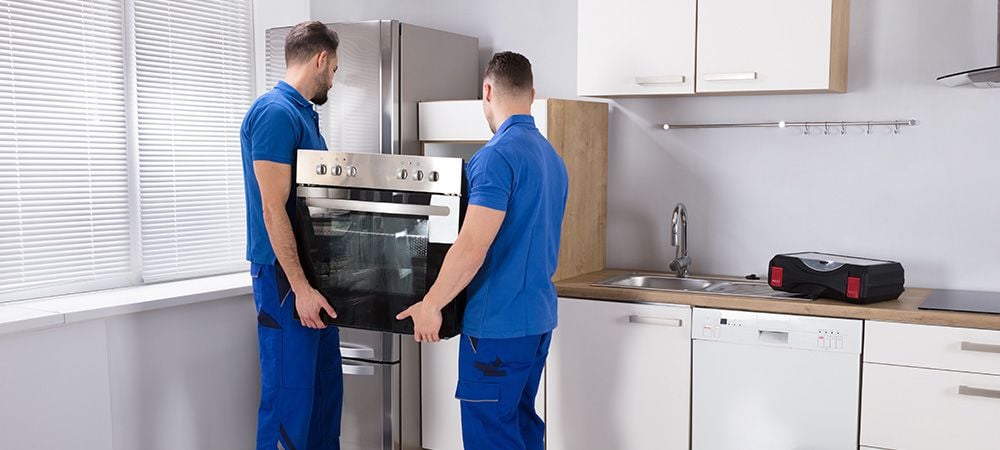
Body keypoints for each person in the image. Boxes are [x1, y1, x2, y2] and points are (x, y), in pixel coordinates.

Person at [396, 51, 568, 450]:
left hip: (497, 329)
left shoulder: (495, 157)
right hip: (536, 323)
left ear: (486, 90)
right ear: (531, 94)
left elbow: (472, 245)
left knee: (492, 436)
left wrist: (431, 304)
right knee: (520, 427)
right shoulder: (552, 159)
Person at [240, 21, 343, 450]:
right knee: (290, 404)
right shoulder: (274, 114)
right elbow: (271, 207)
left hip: (313, 279)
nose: (333, 80)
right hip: (286, 282)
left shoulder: (303, 116)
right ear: (320, 60)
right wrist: (299, 287)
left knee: (323, 401)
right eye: (334, 70)